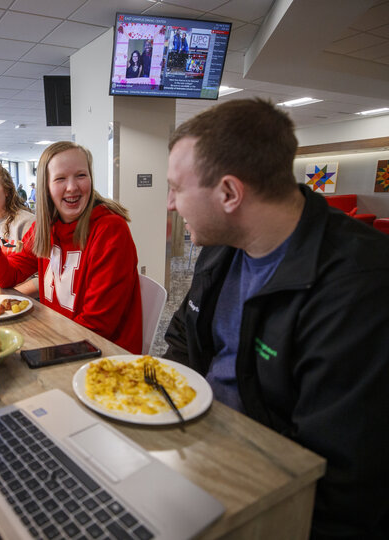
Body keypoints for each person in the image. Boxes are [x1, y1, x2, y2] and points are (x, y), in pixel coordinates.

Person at [163, 98, 389, 539]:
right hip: (198, 447)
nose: (170, 204)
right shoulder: (221, 243)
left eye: (177, 188)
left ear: (229, 193)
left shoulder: (360, 290)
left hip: (271, 496)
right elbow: (182, 338)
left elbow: (344, 490)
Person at [0, 142, 142, 353]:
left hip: (102, 356)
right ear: (46, 187)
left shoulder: (111, 229)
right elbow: (9, 278)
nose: (72, 187)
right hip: (61, 339)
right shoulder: (46, 226)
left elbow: (98, 327)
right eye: (60, 178)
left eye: (81, 175)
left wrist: (42, 343)